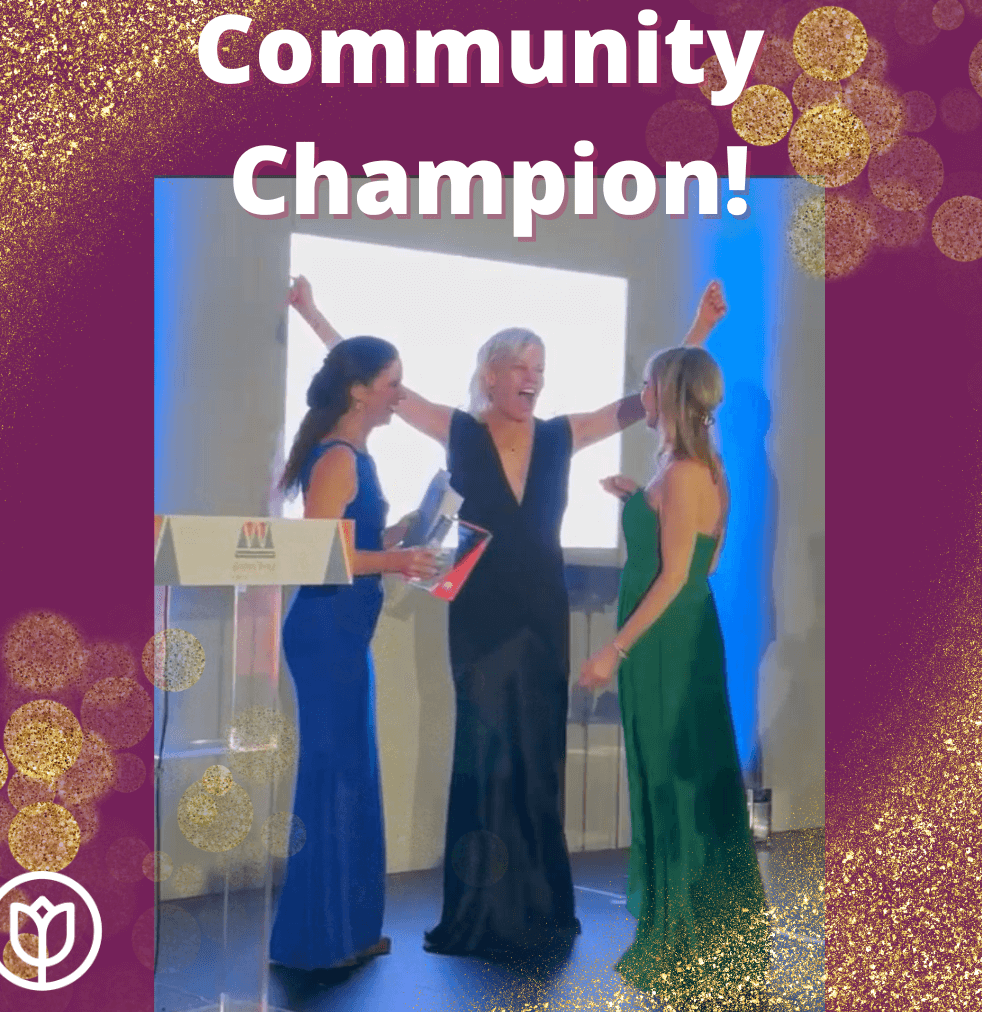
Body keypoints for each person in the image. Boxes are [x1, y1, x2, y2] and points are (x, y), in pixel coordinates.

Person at [286, 275, 727, 961]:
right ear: (489, 375)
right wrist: (314, 314)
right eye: (522, 367)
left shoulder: (558, 436)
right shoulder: (457, 430)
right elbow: (371, 382)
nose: (534, 380)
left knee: (539, 760)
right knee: (487, 757)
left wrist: (698, 330)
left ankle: (542, 907)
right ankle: (479, 912)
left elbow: (641, 400)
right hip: (481, 621)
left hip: (543, 617)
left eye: (541, 369)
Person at [579, 346, 771, 1007]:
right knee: (670, 780)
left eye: (648, 384)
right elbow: (701, 560)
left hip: (667, 643)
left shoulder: (691, 470)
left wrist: (616, 650)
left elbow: (681, 575)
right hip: (677, 636)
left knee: (676, 785)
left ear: (670, 392)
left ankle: (689, 936)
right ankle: (692, 925)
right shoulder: (688, 467)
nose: (641, 393)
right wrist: (643, 499)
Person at [269, 337, 439, 971]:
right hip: (326, 634)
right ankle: (319, 939)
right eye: (393, 384)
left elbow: (355, 540)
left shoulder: (352, 454)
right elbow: (319, 555)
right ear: (360, 390)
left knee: (350, 777)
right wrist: (395, 559)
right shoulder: (338, 458)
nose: (400, 396)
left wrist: (405, 533)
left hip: (343, 633)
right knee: (334, 779)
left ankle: (345, 930)